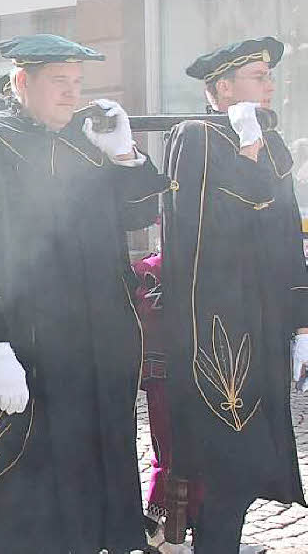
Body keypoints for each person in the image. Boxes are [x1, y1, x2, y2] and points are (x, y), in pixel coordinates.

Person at [0, 34, 169, 553]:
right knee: (25, 509)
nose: (71, 94)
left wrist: (127, 156)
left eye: (77, 84)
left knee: (87, 501)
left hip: (87, 349)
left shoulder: (82, 144)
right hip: (28, 347)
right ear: (23, 83)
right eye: (59, 83)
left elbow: (138, 216)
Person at [158, 36, 308, 553]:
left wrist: (303, 319)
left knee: (250, 464)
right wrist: (245, 158)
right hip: (217, 328)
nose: (271, 85)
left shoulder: (272, 141)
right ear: (223, 88)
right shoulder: (194, 137)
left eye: (269, 75)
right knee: (228, 462)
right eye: (258, 76)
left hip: (264, 321)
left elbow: (288, 234)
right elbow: (200, 235)